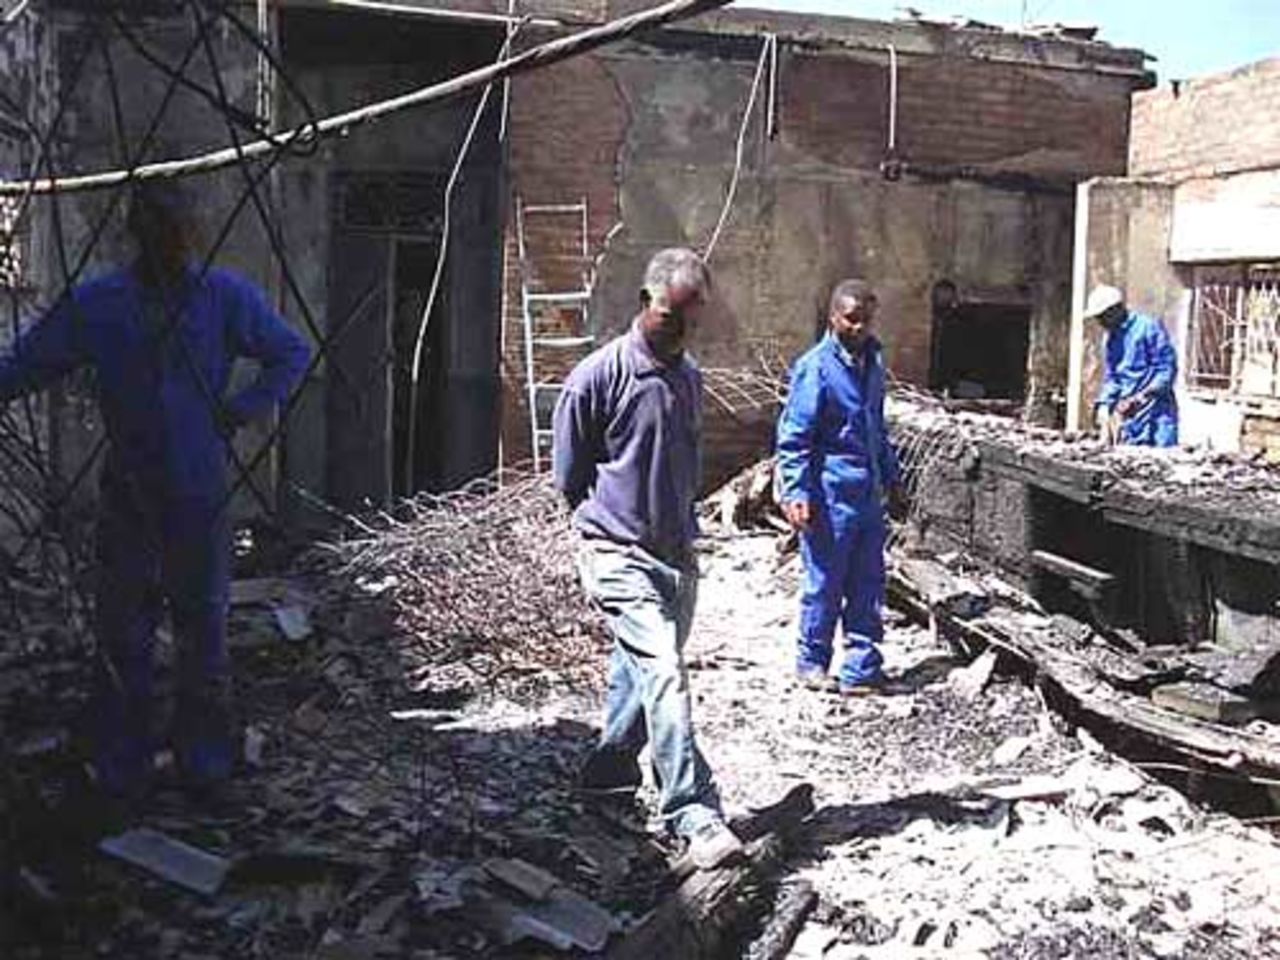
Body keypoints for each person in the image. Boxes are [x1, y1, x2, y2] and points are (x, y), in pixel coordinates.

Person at [0, 182, 310, 796]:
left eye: (175, 228)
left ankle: (203, 763)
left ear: (191, 233)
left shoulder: (221, 297)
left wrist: (241, 409)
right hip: (132, 488)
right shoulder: (102, 304)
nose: (167, 240)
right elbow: (24, 366)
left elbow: (291, 352)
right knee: (123, 629)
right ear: (136, 233)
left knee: (203, 628)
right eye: (154, 227)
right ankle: (124, 765)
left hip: (199, 488)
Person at [551, 247, 742, 870]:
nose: (682, 330)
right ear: (645, 304)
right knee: (663, 672)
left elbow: (683, 467)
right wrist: (609, 530)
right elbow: (568, 475)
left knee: (639, 677)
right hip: (615, 551)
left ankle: (605, 776)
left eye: (692, 319)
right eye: (671, 316)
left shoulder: (689, 378)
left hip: (675, 556)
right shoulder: (597, 378)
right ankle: (694, 812)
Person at [776, 279, 904, 696]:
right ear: (833, 317)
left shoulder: (872, 364)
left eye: (865, 320)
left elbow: (876, 430)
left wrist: (892, 479)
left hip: (866, 495)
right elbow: (795, 437)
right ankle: (812, 662)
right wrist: (796, 492)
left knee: (868, 581)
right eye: (850, 319)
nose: (858, 327)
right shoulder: (816, 369)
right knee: (825, 581)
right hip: (830, 495)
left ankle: (861, 668)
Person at [1084, 284, 1178, 447]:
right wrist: (1104, 405)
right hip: (1132, 421)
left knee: (1159, 464)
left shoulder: (1148, 328)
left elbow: (1166, 370)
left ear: (1115, 310)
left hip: (1157, 415)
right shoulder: (1111, 340)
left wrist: (1140, 396)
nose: (1100, 323)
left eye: (1102, 317)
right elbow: (1113, 378)